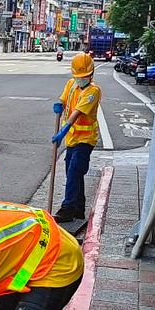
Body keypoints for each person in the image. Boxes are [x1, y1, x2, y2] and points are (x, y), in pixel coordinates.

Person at [51, 53, 101, 223]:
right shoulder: (71, 83)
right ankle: (79, 208)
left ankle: (68, 208)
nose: (81, 79)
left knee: (74, 171)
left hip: (85, 140)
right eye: (79, 76)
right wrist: (59, 104)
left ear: (91, 74)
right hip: (72, 139)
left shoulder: (93, 91)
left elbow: (77, 113)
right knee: (73, 173)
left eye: (85, 76)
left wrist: (62, 132)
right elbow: (64, 99)